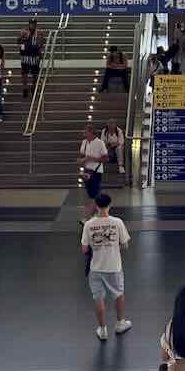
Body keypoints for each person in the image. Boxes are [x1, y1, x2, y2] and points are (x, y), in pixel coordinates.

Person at [82, 193, 132, 341]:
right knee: (119, 293)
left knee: (98, 298)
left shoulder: (89, 224)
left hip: (96, 268)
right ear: (110, 205)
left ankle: (103, 330)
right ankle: (120, 323)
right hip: (114, 266)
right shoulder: (117, 222)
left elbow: (84, 249)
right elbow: (125, 244)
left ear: (96, 206)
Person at [78, 123, 108, 220]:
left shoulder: (100, 143)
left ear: (91, 132)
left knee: (94, 194)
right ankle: (95, 214)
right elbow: (82, 156)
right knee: (90, 194)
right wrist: (81, 161)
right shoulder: (84, 142)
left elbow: (105, 158)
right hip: (87, 171)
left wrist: (92, 159)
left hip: (96, 170)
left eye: (86, 132)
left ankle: (89, 216)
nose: (84, 133)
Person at [18, 18, 45, 98]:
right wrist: (23, 37)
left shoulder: (39, 33)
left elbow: (42, 42)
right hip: (25, 56)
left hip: (35, 56)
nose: (32, 25)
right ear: (29, 24)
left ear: (35, 25)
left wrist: (40, 46)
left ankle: (33, 87)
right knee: (24, 73)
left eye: (33, 24)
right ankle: (25, 88)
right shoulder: (24, 32)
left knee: (35, 74)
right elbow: (19, 41)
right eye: (31, 24)